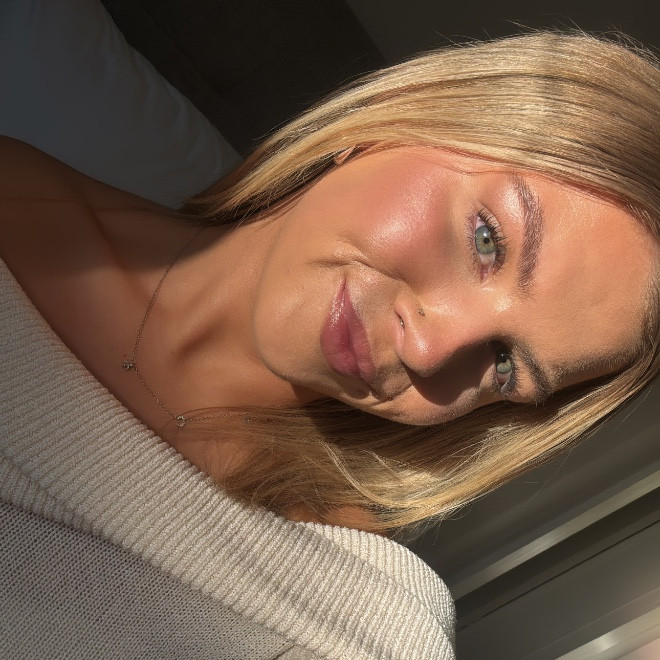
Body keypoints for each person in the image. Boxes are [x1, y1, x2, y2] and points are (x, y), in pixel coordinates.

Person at [0, 29, 658, 658]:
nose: (431, 350)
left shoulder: (358, 625)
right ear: (399, 119)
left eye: (505, 364)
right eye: (487, 240)